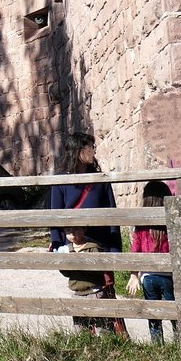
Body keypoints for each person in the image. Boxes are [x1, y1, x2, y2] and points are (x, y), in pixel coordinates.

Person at [48, 132, 125, 335]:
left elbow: (112, 217)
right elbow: (55, 216)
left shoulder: (100, 180)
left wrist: (115, 250)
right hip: (76, 247)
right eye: (90, 147)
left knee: (104, 296)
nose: (94, 152)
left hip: (100, 247)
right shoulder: (61, 181)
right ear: (79, 150)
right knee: (80, 291)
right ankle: (84, 338)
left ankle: (110, 339)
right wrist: (58, 246)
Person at [132, 180, 175, 343]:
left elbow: (135, 250)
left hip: (149, 276)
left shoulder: (142, 224)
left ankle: (157, 345)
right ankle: (180, 342)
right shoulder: (170, 221)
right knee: (175, 313)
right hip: (170, 276)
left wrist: (134, 275)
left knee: (153, 314)